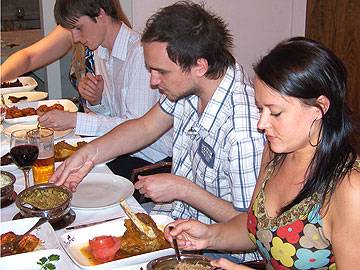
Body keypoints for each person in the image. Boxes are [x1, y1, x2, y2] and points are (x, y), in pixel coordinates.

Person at [51, 1, 264, 262]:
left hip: (221, 254)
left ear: (200, 65)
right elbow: (144, 126)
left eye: (160, 72)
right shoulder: (190, 87)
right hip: (180, 225)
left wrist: (183, 189)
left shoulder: (244, 129)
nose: (153, 81)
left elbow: (251, 228)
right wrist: (89, 154)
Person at [164, 37, 360, 269]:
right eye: (260, 109)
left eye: (275, 113)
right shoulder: (276, 151)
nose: (261, 123)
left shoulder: (349, 188)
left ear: (320, 108)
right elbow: (258, 230)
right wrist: (209, 235)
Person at [41, 0, 173, 177]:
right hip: (123, 152)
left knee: (71, 178)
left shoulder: (139, 53)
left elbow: (134, 129)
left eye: (79, 28)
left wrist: (75, 120)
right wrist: (96, 101)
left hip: (152, 162)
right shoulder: (100, 51)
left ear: (100, 15)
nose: (75, 38)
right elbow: (114, 117)